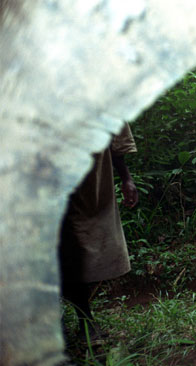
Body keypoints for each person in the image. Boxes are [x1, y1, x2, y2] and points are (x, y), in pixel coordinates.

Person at [58, 123, 138, 342]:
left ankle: (83, 320)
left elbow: (117, 137)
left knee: (78, 246)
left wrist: (126, 178)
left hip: (88, 180)